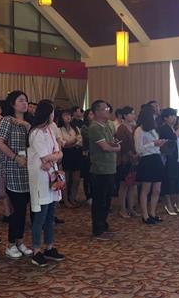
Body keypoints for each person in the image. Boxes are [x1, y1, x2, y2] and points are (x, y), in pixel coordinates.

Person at [27, 100, 65, 267]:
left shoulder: (49, 130)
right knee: (40, 216)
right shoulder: (36, 132)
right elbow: (45, 156)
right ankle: (36, 250)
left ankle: (49, 247)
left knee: (50, 215)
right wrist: (52, 157)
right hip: (41, 178)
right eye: (52, 112)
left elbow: (58, 153)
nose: (53, 116)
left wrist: (53, 157)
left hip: (51, 175)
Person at [0, 91, 34, 259]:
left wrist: (27, 126)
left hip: (28, 170)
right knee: (17, 209)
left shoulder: (29, 122)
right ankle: (11, 244)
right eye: (21, 100)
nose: (25, 103)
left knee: (23, 209)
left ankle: (20, 241)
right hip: (13, 169)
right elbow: (0, 143)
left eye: (26, 100)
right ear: (12, 104)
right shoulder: (7, 120)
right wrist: (15, 157)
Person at [88, 100, 121, 240]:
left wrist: (113, 145)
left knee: (107, 200)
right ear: (97, 112)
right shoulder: (94, 127)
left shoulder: (108, 125)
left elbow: (112, 142)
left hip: (110, 168)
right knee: (99, 201)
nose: (108, 111)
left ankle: (103, 225)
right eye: (104, 109)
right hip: (99, 169)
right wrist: (115, 148)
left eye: (107, 108)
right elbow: (105, 147)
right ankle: (98, 230)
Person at [134, 107, 165, 224]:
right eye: (154, 115)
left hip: (156, 158)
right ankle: (145, 215)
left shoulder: (153, 130)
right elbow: (138, 149)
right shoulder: (139, 130)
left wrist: (161, 143)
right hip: (147, 159)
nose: (155, 117)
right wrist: (153, 143)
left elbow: (155, 145)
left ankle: (152, 213)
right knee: (146, 189)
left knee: (157, 189)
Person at [158, 108, 179, 214]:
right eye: (171, 116)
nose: (174, 118)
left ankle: (178, 204)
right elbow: (173, 138)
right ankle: (168, 204)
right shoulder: (164, 129)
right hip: (169, 159)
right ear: (165, 118)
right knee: (169, 182)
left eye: (174, 116)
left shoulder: (175, 128)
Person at [115, 106, 138, 218]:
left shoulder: (133, 127)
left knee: (132, 185)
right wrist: (132, 155)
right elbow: (123, 145)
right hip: (124, 160)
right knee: (123, 185)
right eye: (131, 113)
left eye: (134, 113)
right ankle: (122, 209)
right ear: (125, 115)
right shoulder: (121, 128)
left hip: (133, 160)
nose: (133, 116)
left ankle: (131, 208)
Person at [58, 109, 83, 208]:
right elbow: (62, 144)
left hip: (76, 154)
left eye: (69, 115)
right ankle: (65, 200)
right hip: (66, 154)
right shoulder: (59, 129)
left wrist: (71, 142)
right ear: (61, 117)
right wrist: (73, 141)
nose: (68, 117)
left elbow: (80, 141)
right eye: (65, 115)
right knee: (66, 179)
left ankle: (72, 198)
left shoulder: (76, 128)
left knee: (76, 179)